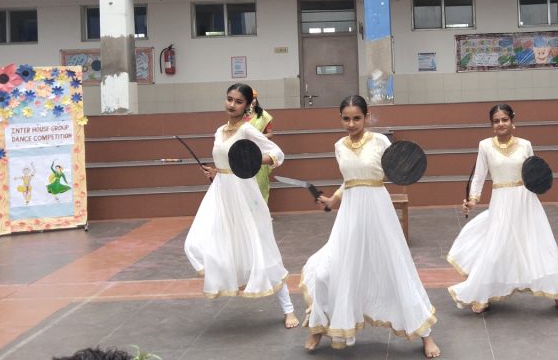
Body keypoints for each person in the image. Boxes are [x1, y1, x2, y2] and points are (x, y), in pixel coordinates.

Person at [301, 95, 440, 358]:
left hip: (378, 211)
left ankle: (425, 335)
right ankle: (318, 326)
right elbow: (349, 181)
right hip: (350, 215)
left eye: (357, 118)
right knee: (325, 272)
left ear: (367, 116)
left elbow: (397, 169)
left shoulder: (381, 141)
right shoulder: (339, 145)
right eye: (346, 118)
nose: (351, 123)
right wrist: (333, 199)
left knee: (397, 269)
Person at [184, 83, 299, 329]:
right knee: (196, 243)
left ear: (247, 106)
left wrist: (256, 160)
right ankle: (231, 277)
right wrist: (214, 171)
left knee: (262, 248)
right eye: (229, 99)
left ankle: (289, 309)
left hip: (245, 195)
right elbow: (225, 162)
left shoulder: (247, 130)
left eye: (238, 101)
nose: (232, 104)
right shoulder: (218, 131)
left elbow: (278, 154)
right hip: (220, 194)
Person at [448, 104, 558, 315]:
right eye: (496, 121)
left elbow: (535, 173)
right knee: (495, 248)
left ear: (512, 121)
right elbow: (479, 176)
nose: (501, 124)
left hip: (526, 202)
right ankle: (483, 295)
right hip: (501, 202)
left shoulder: (526, 145)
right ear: (491, 125)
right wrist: (472, 199)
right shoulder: (485, 146)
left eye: (504, 119)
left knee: (542, 246)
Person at [247, 96, 275, 202]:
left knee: (261, 183)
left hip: (259, 152)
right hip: (243, 152)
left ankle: (262, 215)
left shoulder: (263, 116)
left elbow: (270, 134)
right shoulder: (239, 116)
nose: (252, 101)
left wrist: (258, 137)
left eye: (254, 98)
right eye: (250, 98)